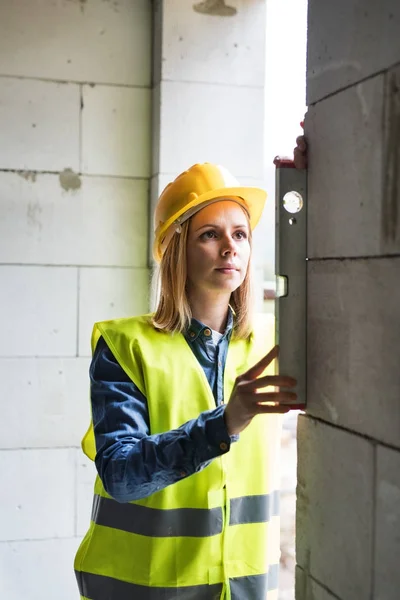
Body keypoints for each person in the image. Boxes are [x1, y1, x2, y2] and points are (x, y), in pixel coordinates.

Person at [75, 139, 307, 600]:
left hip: (241, 588)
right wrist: (223, 424)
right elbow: (121, 475)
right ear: (177, 249)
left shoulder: (275, 341)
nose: (230, 248)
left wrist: (322, 175)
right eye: (210, 234)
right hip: (143, 589)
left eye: (240, 234)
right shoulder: (125, 347)